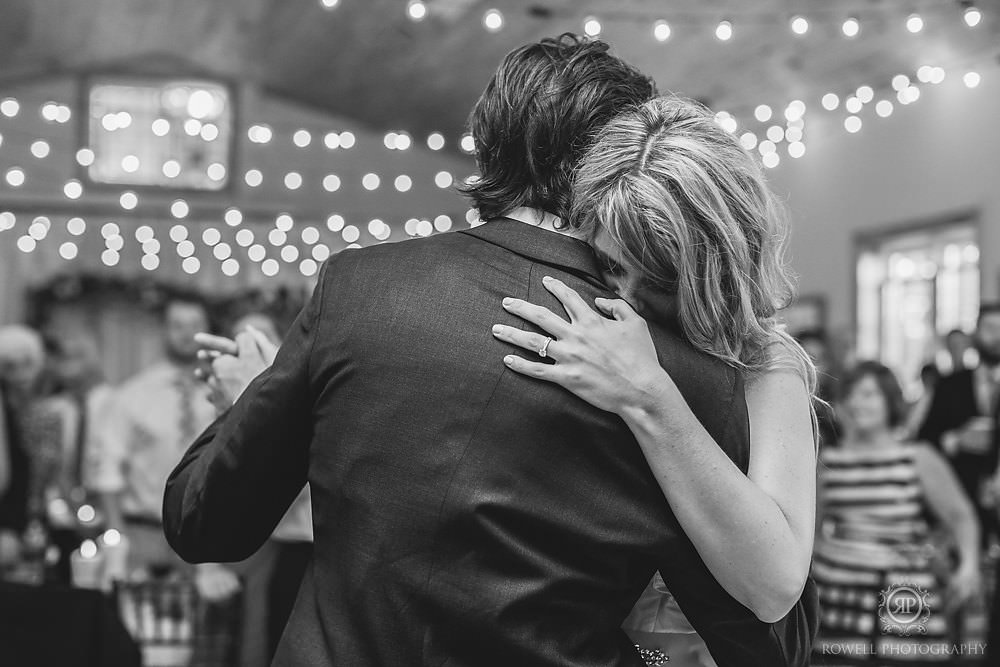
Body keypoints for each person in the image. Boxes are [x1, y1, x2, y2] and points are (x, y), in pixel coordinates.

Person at [164, 34, 817, 667]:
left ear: (488, 147)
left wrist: (249, 400)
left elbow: (205, 523)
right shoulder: (669, 360)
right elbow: (759, 639)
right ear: (608, 161)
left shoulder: (358, 288)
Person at [489, 96, 818, 665]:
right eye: (612, 267)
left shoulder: (765, 365)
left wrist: (651, 399)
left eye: (660, 280)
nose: (628, 302)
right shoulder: (585, 326)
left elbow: (775, 585)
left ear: (718, 268)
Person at [812, 362, 980, 664]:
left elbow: (960, 515)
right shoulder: (829, 460)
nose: (856, 403)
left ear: (890, 400)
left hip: (902, 591)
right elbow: (811, 528)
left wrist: (968, 567)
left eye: (868, 394)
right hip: (839, 591)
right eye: (850, 394)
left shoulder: (917, 456)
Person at [91, 295, 237, 598]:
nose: (186, 333)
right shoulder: (132, 394)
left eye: (195, 324)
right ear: (164, 332)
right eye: (177, 325)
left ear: (209, 329)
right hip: (143, 533)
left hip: (206, 534)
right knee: (136, 630)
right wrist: (118, 540)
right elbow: (108, 469)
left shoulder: (228, 392)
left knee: (201, 635)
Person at [918, 303, 1000, 548]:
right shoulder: (950, 384)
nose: (996, 336)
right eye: (989, 328)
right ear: (975, 333)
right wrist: (955, 440)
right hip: (961, 496)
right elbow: (925, 439)